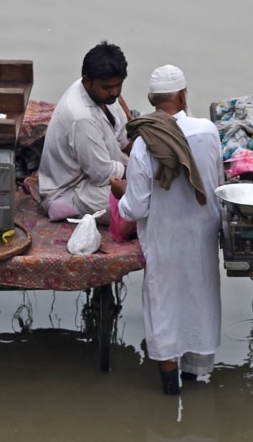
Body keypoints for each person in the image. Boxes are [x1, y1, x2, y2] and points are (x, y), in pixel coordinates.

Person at [110, 65, 224, 395]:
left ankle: (169, 389)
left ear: (151, 100)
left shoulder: (145, 143)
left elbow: (137, 207)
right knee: (199, 299)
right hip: (202, 235)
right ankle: (194, 375)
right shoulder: (208, 131)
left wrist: (122, 193)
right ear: (184, 95)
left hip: (164, 239)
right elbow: (218, 184)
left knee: (164, 305)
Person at [39, 40, 133, 222]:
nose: (115, 92)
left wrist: (148, 161)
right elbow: (102, 174)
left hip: (93, 177)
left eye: (118, 85)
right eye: (107, 87)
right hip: (70, 192)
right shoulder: (81, 116)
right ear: (87, 81)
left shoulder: (104, 95)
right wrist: (140, 174)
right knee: (145, 202)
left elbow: (123, 138)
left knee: (148, 191)